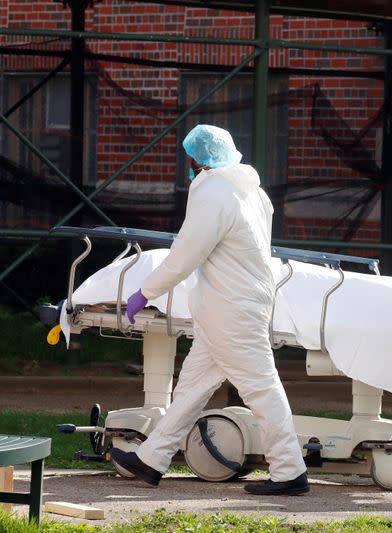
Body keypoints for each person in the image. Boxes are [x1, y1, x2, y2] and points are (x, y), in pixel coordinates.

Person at [111, 124, 309, 496]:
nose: (189, 169)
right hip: (236, 306)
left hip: (229, 310)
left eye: (190, 161)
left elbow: (186, 253)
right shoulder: (252, 192)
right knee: (191, 389)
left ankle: (289, 471)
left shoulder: (214, 191)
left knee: (262, 388)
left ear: (198, 161)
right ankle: (153, 459)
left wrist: (145, 292)